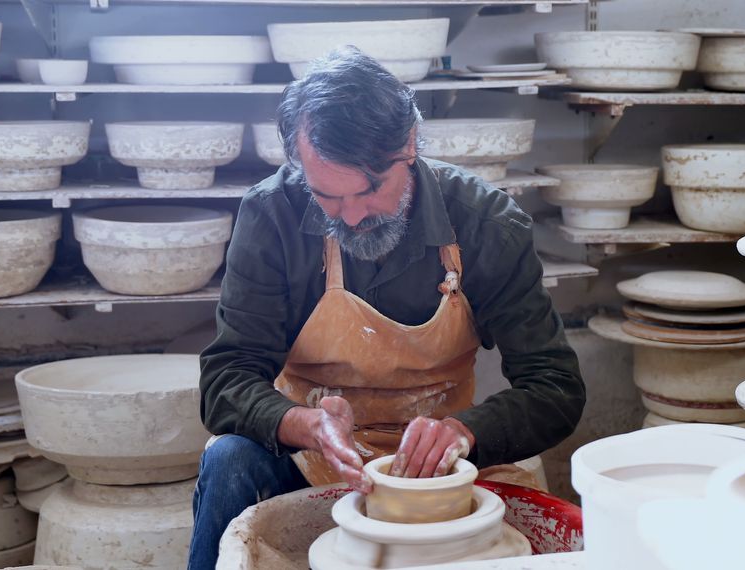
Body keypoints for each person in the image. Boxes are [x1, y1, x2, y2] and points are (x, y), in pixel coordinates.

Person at [186, 46, 586, 569]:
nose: (351, 217)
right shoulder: (272, 214)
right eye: (327, 196)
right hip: (314, 452)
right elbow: (226, 379)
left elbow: (555, 388)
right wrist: (304, 424)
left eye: (371, 189)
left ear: (410, 144)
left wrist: (467, 431)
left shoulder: (486, 223)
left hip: (443, 460)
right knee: (229, 458)